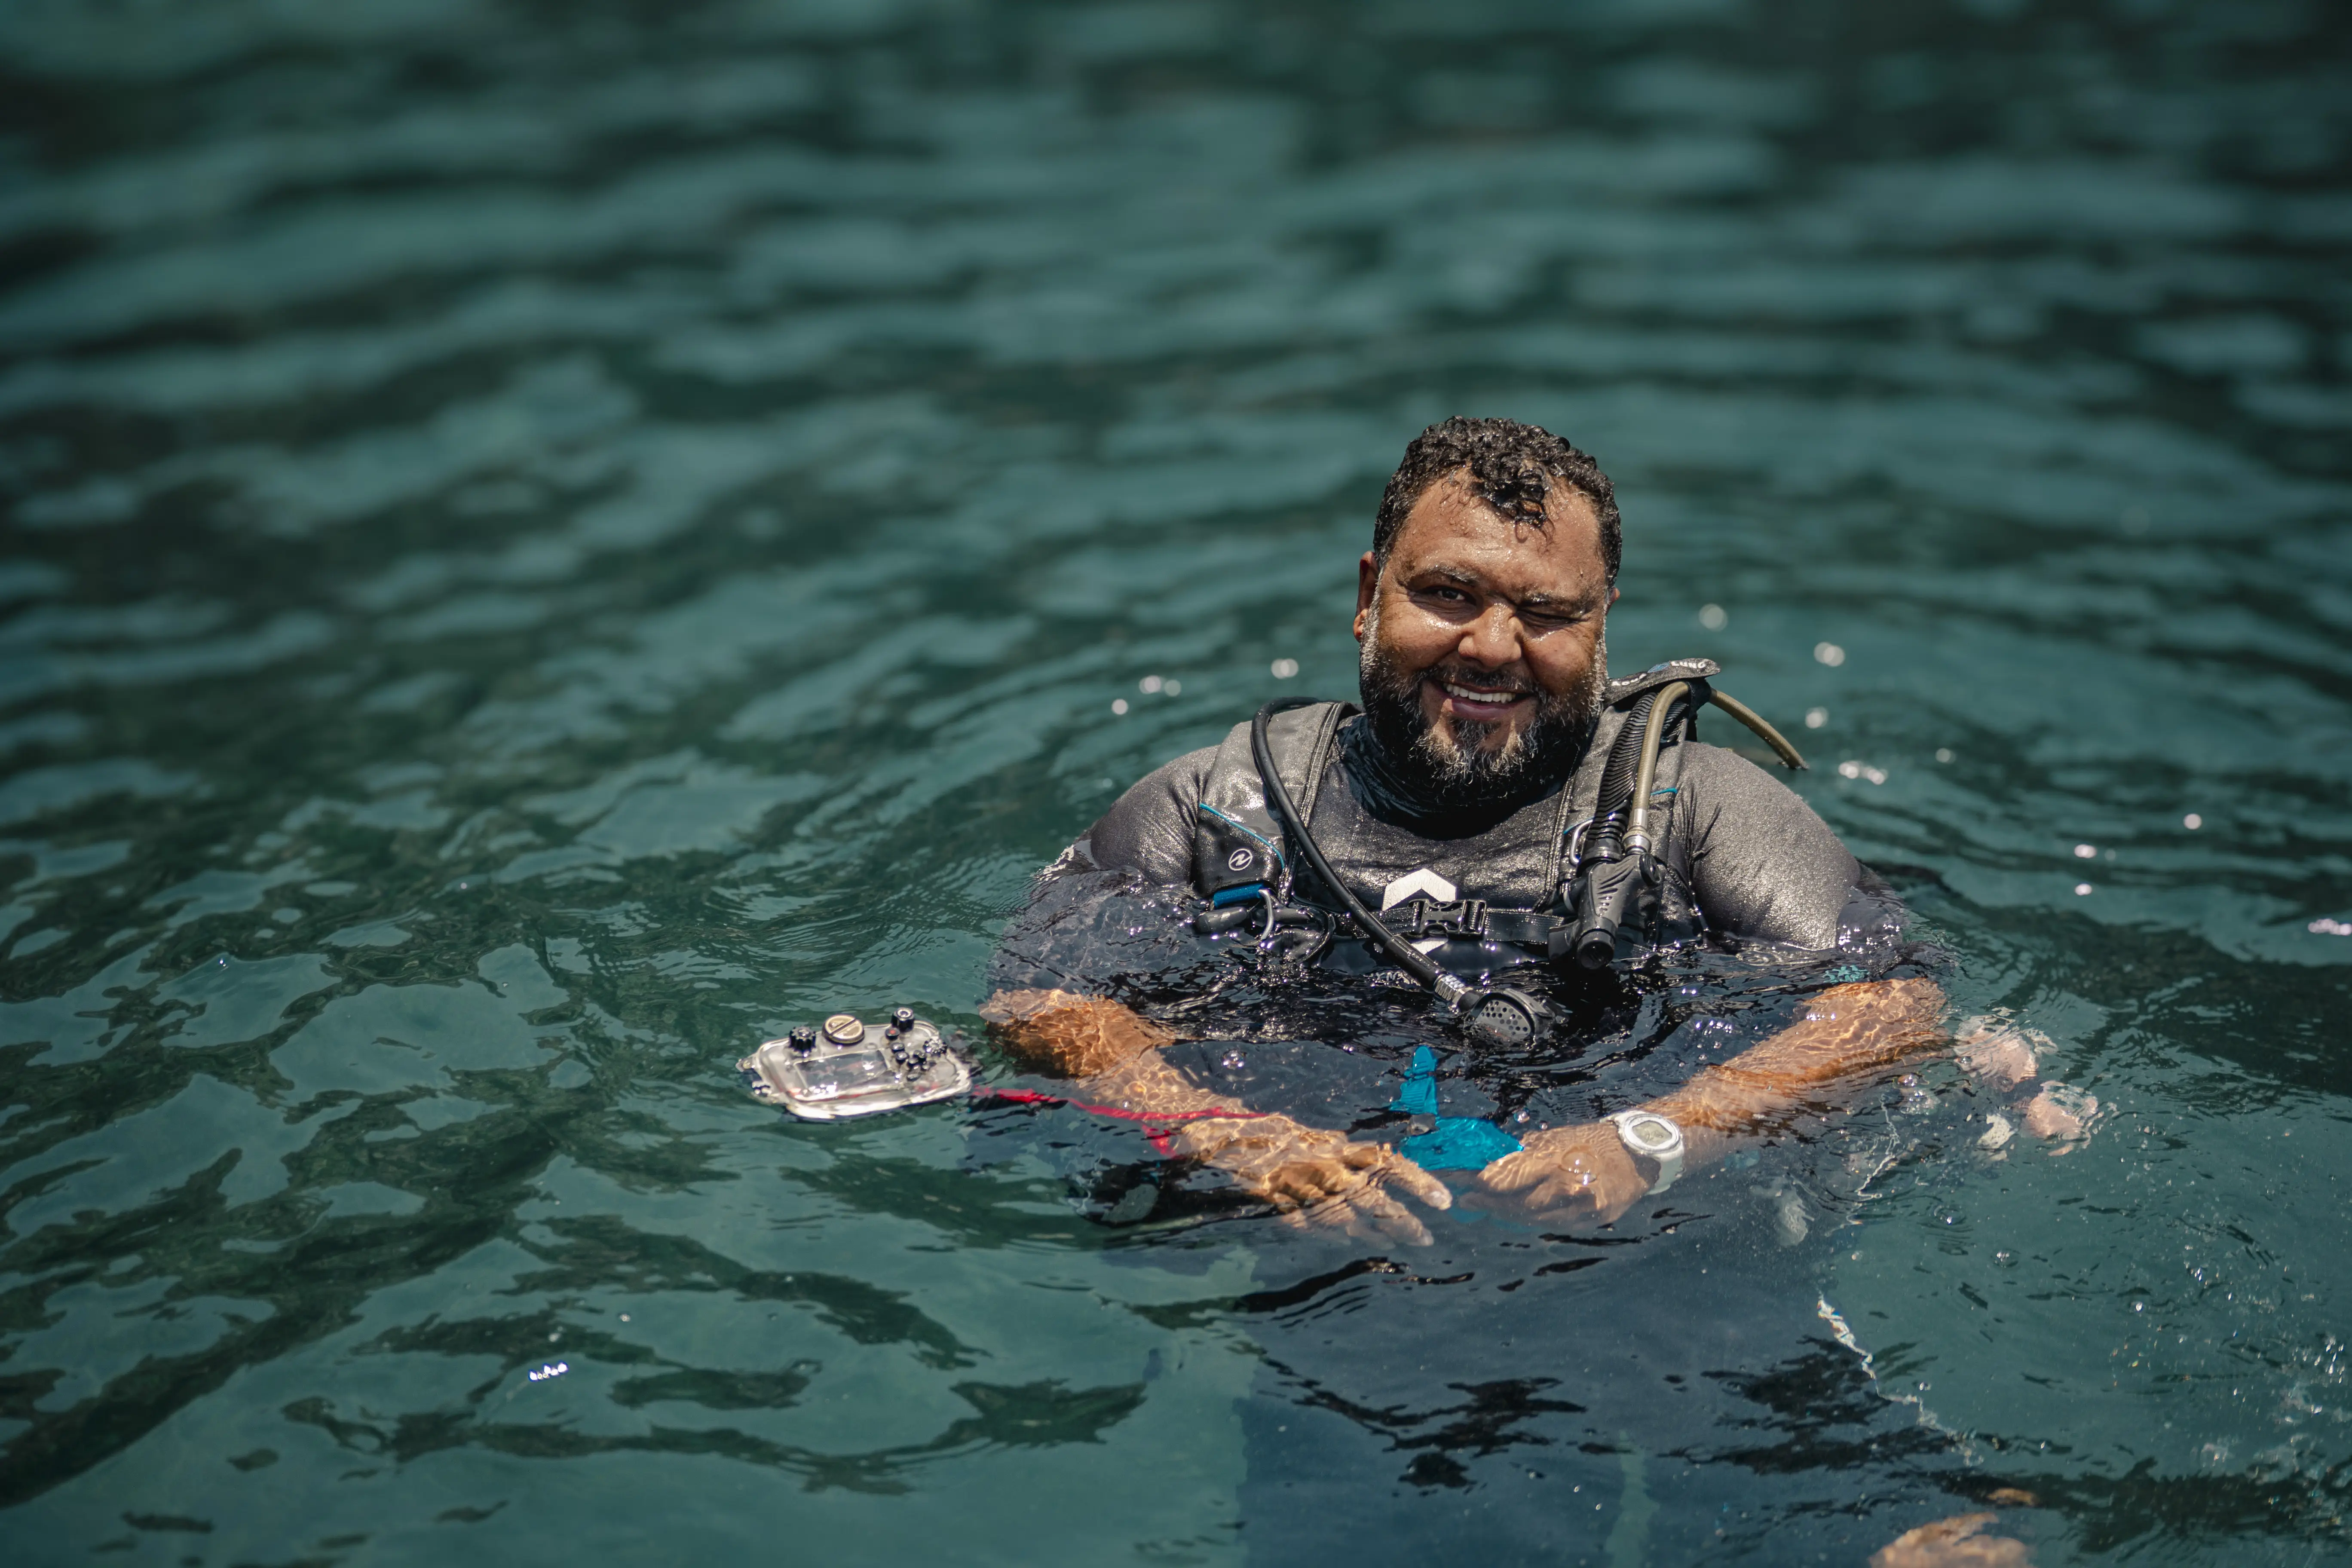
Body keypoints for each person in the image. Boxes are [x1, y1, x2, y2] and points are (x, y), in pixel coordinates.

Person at [982, 416, 2086, 1243]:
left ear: (1602, 626)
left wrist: (1652, 1141)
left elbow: (1890, 1004)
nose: (1493, 648)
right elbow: (1041, 1000)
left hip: (1662, 1278)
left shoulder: (1697, 810)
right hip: (1337, 1278)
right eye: (1450, 594)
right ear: (1370, 595)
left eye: (1547, 614)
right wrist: (1214, 1125)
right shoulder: (1220, 807)